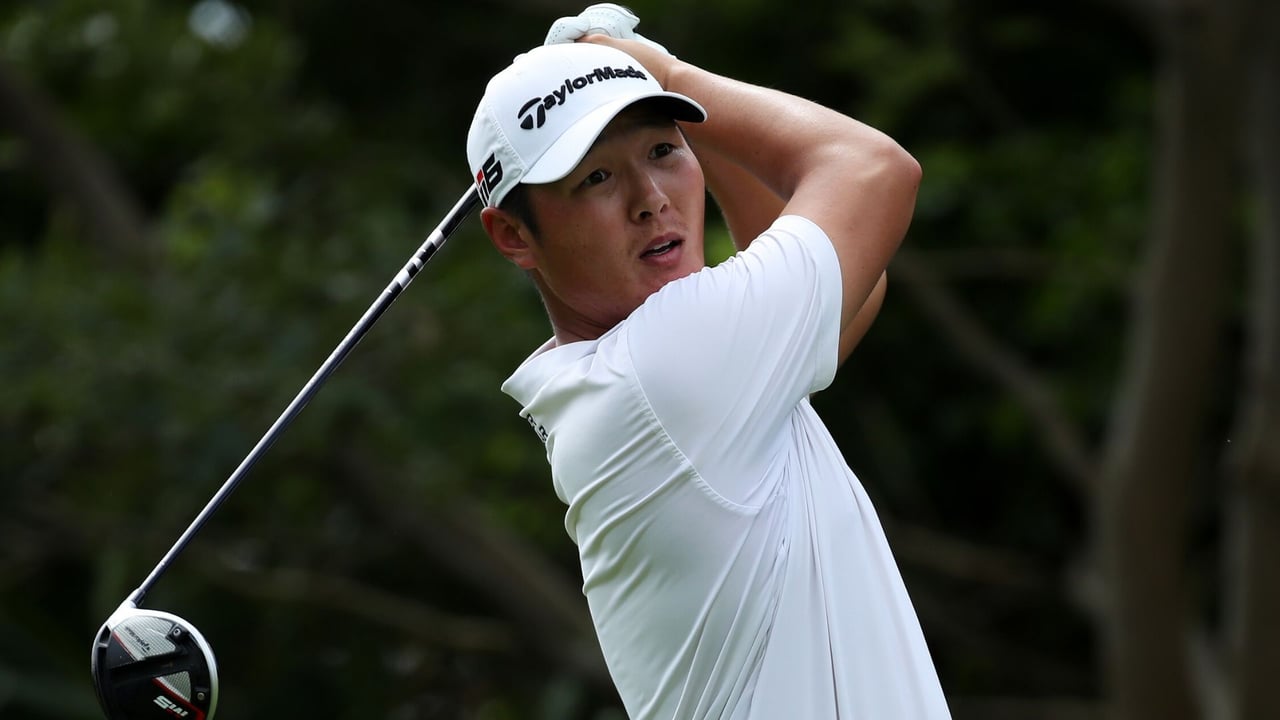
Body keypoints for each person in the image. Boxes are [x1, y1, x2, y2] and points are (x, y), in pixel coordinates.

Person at [466, 5, 950, 718]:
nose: (650, 200)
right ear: (513, 234)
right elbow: (876, 171)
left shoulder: (638, 379)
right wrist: (665, 72)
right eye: (596, 178)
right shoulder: (664, 371)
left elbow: (855, 288)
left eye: (664, 150)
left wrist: (651, 85)